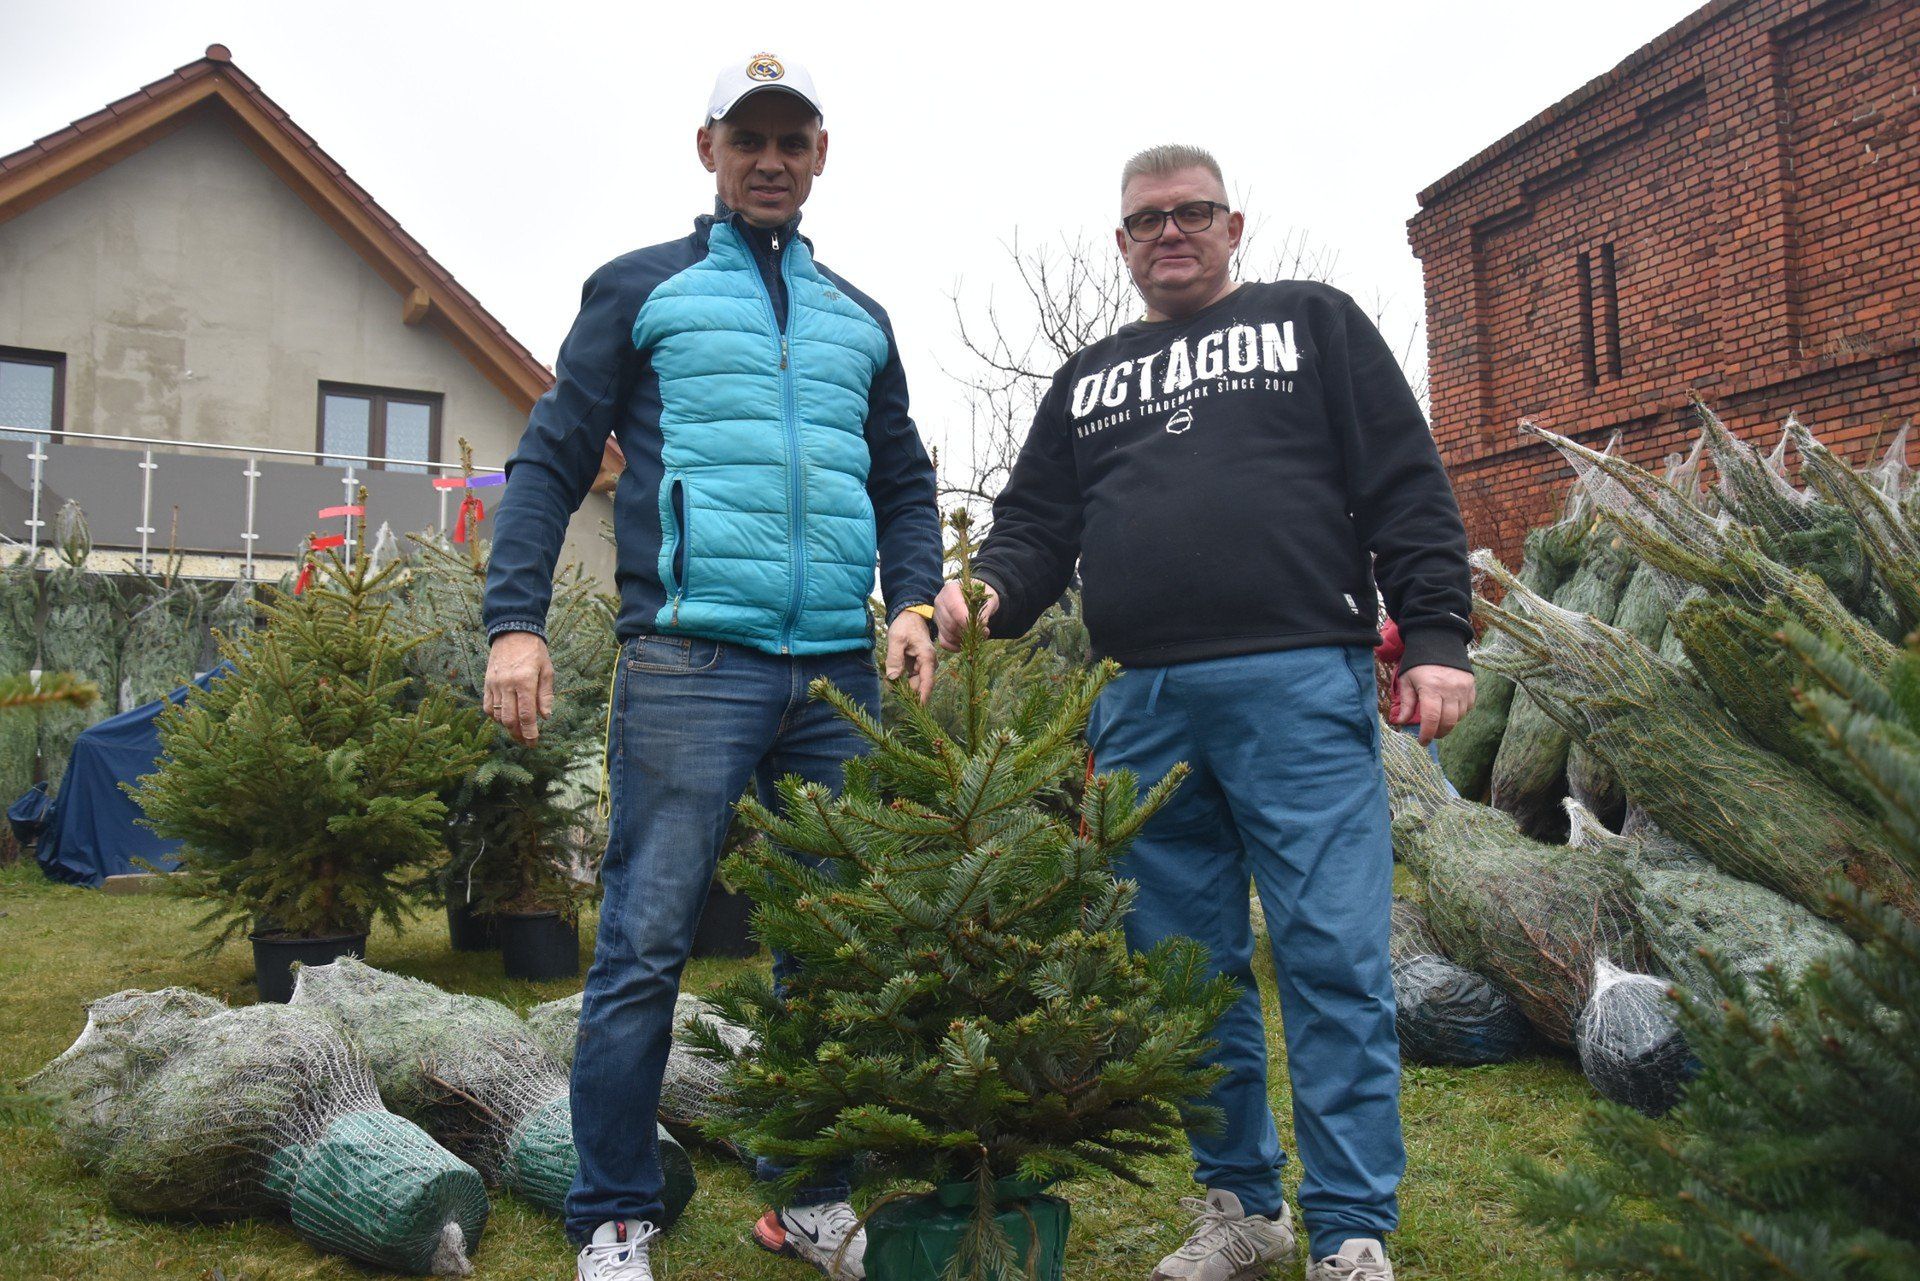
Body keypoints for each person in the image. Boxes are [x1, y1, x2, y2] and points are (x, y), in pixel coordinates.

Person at [935, 144, 1475, 1281]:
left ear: (1235, 225)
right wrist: (979, 594)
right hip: (1139, 703)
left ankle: (1350, 1228)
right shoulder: (1089, 378)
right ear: (1121, 242)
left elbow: (1404, 483)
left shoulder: (1312, 324)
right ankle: (1241, 1206)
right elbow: (1035, 530)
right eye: (1145, 220)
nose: (1169, 232)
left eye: (1192, 213)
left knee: (1332, 953)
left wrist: (1433, 637)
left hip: (1297, 683)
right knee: (1185, 969)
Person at [482, 52, 942, 1281]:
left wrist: (912, 601)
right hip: (690, 661)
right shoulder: (645, 290)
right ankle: (615, 1216)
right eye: (751, 140)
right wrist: (512, 619)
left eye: (794, 141)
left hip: (839, 674)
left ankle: (812, 1199)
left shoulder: (861, 318)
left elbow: (902, 480)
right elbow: (551, 455)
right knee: (644, 939)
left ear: (822, 154)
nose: (772, 160)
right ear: (709, 150)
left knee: (832, 947)